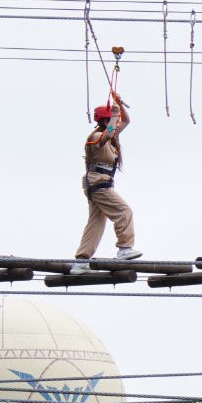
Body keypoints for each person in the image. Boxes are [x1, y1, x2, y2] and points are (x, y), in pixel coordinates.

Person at [74, 90, 143, 269]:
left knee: (96, 221)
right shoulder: (97, 136)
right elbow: (108, 133)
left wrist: (118, 104)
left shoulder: (111, 134)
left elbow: (126, 121)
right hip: (99, 184)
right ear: (106, 121)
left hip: (97, 184)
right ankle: (124, 248)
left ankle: (81, 260)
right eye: (112, 120)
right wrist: (113, 114)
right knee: (124, 211)